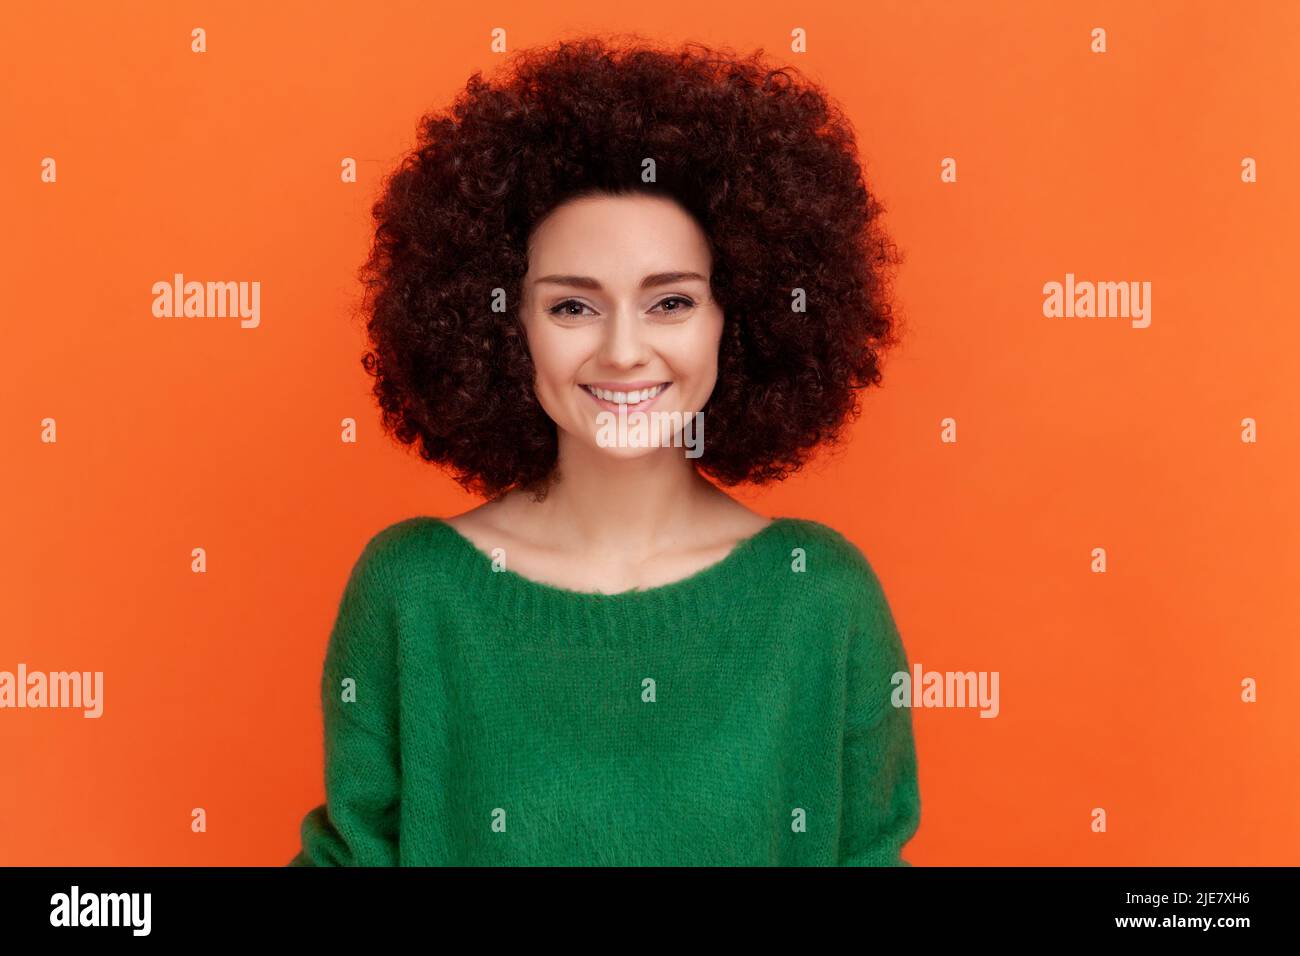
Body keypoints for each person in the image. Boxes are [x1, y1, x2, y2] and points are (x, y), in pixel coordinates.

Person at [289, 34, 920, 866]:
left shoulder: (821, 598)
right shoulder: (414, 592)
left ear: (737, 320)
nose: (624, 351)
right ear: (506, 326)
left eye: (670, 303)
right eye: (573, 308)